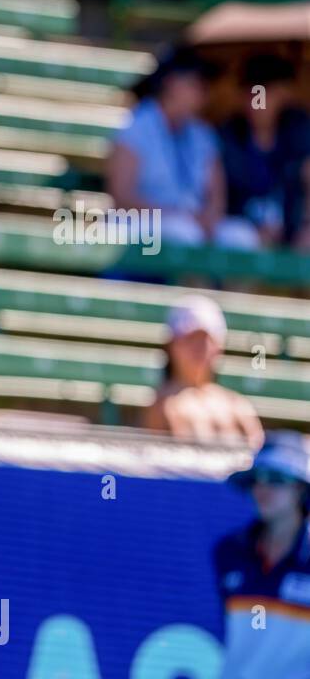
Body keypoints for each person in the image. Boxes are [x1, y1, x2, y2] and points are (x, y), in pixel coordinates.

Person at [214, 431, 310, 679]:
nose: (264, 489)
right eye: (259, 479)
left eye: (278, 480)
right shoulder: (228, 553)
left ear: (301, 489)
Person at [108, 48, 260, 251]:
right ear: (171, 84)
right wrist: (173, 214)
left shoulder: (202, 133)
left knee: (242, 237)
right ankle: (196, 284)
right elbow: (122, 197)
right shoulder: (136, 126)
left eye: (204, 87)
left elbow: (216, 194)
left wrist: (210, 219)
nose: (202, 95)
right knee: (184, 233)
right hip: (140, 221)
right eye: (195, 85)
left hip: (190, 221)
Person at [142, 294, 263, 449]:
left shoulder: (238, 405)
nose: (200, 348)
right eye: (191, 339)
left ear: (220, 347)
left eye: (208, 339)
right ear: (172, 345)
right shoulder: (164, 407)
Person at [218, 54, 310, 250]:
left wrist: (305, 226)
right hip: (240, 231)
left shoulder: (300, 133)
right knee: (238, 238)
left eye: (266, 93)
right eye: (252, 93)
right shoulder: (228, 136)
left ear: (283, 94)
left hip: (292, 232)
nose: (257, 103)